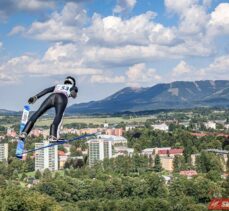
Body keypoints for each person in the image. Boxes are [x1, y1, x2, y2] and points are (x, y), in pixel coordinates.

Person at [19, 76, 78, 142]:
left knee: (38, 112)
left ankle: (24, 133)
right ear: (73, 83)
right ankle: (53, 135)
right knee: (59, 115)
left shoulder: (58, 86)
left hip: (51, 97)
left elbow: (46, 90)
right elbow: (73, 94)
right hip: (62, 98)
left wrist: (35, 97)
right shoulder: (73, 86)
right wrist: (74, 92)